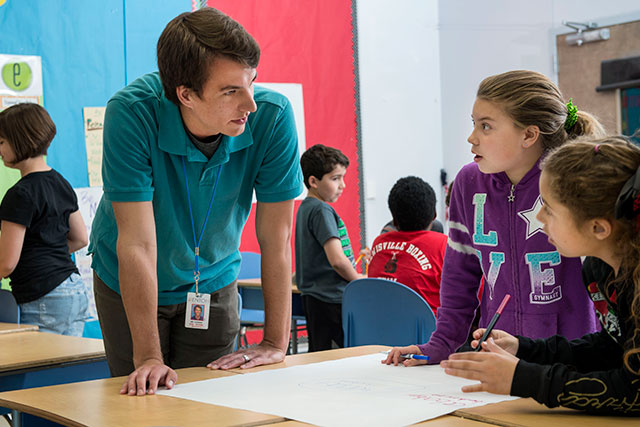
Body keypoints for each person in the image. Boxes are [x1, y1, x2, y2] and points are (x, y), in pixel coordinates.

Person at [88, 7, 303, 396]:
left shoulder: (273, 116)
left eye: (251, 83)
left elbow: (277, 237)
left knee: (211, 402)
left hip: (213, 280)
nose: (250, 104)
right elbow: (137, 243)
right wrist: (149, 357)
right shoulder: (133, 114)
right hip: (129, 282)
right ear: (186, 94)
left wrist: (275, 342)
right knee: (144, 402)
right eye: (230, 91)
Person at [385, 70, 605, 366]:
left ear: (528, 134)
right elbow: (459, 275)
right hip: (499, 358)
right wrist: (443, 344)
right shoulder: (467, 182)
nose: (471, 137)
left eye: (486, 126)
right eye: (474, 124)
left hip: (572, 358)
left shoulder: (572, 180)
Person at [441, 136, 640, 415]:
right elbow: (613, 347)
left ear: (598, 228)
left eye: (549, 209)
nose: (540, 218)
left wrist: (523, 378)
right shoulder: (601, 270)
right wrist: (524, 349)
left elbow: (633, 391)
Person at [0, 103, 89, 336]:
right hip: (73, 289)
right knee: (66, 370)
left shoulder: (19, 194)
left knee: (42, 368)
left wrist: (31, 259)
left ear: (20, 140)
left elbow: (6, 263)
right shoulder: (60, 182)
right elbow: (80, 238)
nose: (0, 150)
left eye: (2, 142)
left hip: (42, 295)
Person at [295, 144, 364, 351]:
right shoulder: (321, 210)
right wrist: (358, 279)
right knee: (346, 354)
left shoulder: (305, 209)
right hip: (332, 298)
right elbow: (337, 259)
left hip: (315, 298)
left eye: (343, 177)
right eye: (335, 179)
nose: (342, 185)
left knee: (320, 354)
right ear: (313, 181)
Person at [368, 176, 447, 315]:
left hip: (380, 330)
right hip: (429, 334)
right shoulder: (444, 245)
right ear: (434, 215)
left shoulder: (378, 243)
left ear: (394, 221)